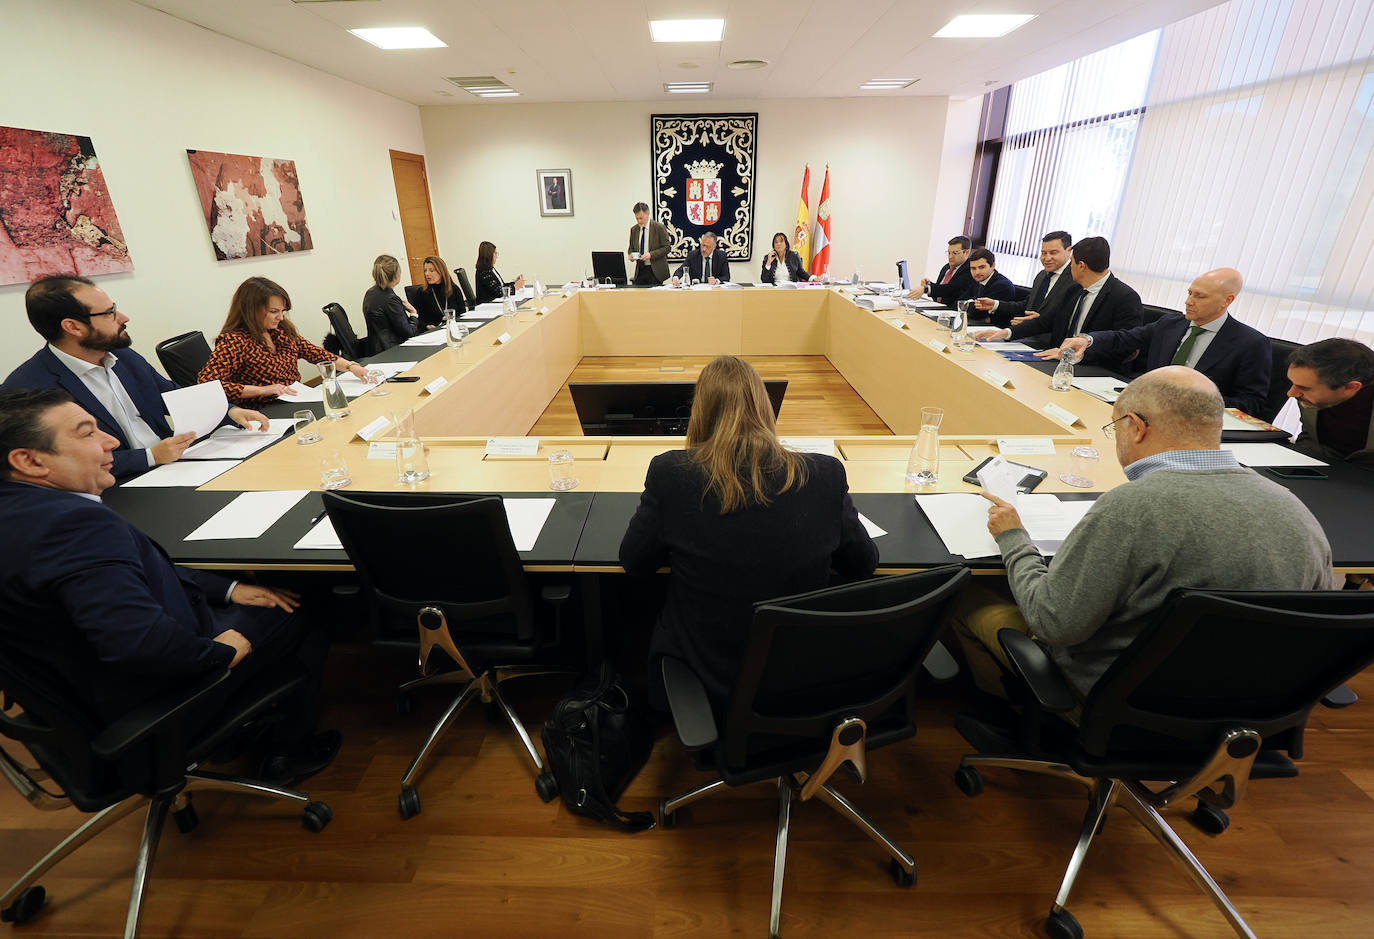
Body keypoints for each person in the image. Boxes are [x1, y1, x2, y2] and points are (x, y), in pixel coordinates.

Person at [0, 387, 340, 782]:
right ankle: (288, 749)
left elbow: (135, 582)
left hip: (77, 696)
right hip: (156, 703)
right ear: (29, 460)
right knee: (309, 596)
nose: (111, 441)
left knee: (256, 590)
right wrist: (218, 653)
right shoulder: (76, 527)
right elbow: (140, 643)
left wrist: (227, 590)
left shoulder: (23, 514)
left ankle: (247, 726)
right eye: (87, 432)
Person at [952, 367, 1337, 700]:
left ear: (1135, 427)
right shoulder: (1295, 509)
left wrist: (1014, 537)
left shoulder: (1131, 508)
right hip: (1258, 705)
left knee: (967, 593)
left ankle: (1023, 712)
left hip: (1126, 703)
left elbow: (1053, 624)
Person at [619, 355, 878, 713]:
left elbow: (634, 563)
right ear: (765, 409)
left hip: (703, 680)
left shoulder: (670, 474)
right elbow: (863, 565)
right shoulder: (824, 474)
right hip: (804, 678)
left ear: (699, 412)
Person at [3, 275, 268, 481]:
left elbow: (173, 395)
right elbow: (57, 466)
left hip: (178, 467)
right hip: (118, 487)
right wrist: (150, 457)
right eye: (109, 313)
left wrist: (230, 412)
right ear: (73, 327)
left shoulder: (124, 357)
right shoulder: (29, 389)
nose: (124, 318)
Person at [1048, 267, 1271, 415]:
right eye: (1190, 293)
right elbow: (1126, 337)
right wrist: (1088, 340)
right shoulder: (1170, 324)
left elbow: (1252, 404)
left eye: (1199, 296)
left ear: (1227, 300)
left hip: (1196, 424)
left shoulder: (1250, 343)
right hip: (1148, 411)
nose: (1188, 301)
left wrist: (1194, 400)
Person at [972, 236, 1141, 367]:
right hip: (1056, 358)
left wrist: (1074, 355)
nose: (1069, 267)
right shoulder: (1074, 290)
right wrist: (1005, 333)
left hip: (1093, 367)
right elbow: (1045, 321)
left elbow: (1125, 347)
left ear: (1081, 265)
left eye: (1072, 262)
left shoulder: (1125, 297)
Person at [198, 276, 368, 406]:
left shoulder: (280, 331)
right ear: (251, 310)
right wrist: (262, 390)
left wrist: (351, 367)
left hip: (297, 401)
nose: (280, 317)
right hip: (265, 413)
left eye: (282, 311)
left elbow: (316, 354)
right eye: (273, 311)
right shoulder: (234, 341)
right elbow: (208, 386)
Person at [1287, 338, 1374, 466]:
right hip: (1323, 470)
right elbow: (1309, 439)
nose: (1291, 393)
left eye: (1304, 388)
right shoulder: (1311, 393)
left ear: (1350, 388)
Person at [972, 230, 1077, 332]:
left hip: (1050, 340)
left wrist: (1039, 321)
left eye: (1053, 253)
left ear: (1069, 251)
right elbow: (1027, 305)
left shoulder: (1075, 279)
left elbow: (1071, 319)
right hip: (1025, 333)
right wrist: (995, 305)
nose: (1047, 258)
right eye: (1044, 253)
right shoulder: (1041, 276)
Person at [362, 255, 420, 353]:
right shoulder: (390, 299)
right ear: (396, 275)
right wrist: (413, 313)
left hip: (374, 349)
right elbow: (409, 333)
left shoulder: (370, 293)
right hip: (392, 350)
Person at [911, 236, 972, 305]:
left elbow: (952, 289)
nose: (950, 256)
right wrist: (929, 284)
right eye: (949, 253)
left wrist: (927, 289)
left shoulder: (970, 269)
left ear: (966, 252)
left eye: (955, 253)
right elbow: (939, 294)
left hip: (952, 311)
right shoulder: (946, 267)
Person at [411, 256, 465, 329]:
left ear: (441, 272)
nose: (427, 274)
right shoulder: (422, 293)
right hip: (433, 332)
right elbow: (417, 319)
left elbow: (463, 313)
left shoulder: (454, 289)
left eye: (431, 270)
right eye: (425, 270)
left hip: (454, 329)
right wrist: (426, 326)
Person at [627, 202, 672, 285]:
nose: (639, 221)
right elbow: (631, 248)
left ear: (648, 214)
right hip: (640, 269)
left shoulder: (659, 227)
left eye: (641, 218)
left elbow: (667, 247)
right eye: (637, 218)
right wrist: (631, 255)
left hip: (655, 271)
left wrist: (651, 254)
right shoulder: (634, 229)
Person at [960, 248, 1017, 313]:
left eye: (982, 267)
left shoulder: (1002, 285)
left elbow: (976, 313)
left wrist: (969, 302)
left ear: (993, 266)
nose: (977, 272)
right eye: (973, 268)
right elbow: (959, 303)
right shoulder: (977, 280)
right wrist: (971, 302)